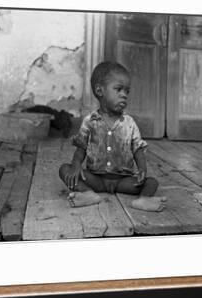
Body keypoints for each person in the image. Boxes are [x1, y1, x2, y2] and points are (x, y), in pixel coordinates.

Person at [58, 61, 166, 212]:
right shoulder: (90, 121)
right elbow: (81, 148)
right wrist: (76, 166)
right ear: (100, 91)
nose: (124, 95)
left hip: (123, 181)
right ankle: (88, 193)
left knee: (152, 182)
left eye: (127, 91)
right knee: (64, 169)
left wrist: (142, 169)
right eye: (118, 89)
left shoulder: (129, 123)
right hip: (97, 179)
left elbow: (138, 149)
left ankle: (143, 200)